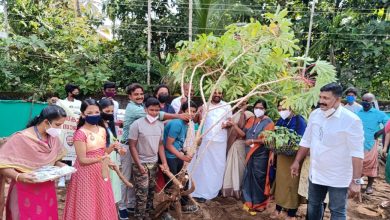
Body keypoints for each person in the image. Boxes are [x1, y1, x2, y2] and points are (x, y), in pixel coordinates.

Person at [291, 82, 364, 220]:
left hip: (338, 176)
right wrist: (296, 161)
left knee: (337, 210)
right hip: (316, 172)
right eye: (320, 97)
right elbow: (306, 140)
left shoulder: (351, 120)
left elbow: (357, 153)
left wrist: (356, 181)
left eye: (326, 98)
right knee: (313, 205)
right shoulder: (315, 115)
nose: (321, 101)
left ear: (337, 99)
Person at [119, 83, 190, 220]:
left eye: (141, 94)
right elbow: (158, 114)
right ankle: (122, 207)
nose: (139, 96)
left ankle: (133, 206)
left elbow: (159, 139)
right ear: (129, 96)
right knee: (126, 178)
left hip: (143, 150)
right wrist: (178, 116)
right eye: (136, 94)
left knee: (142, 185)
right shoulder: (134, 109)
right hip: (128, 147)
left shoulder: (141, 107)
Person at [0, 105, 68, 220]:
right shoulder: (21, 138)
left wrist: (63, 167)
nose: (59, 128)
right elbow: (3, 164)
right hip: (25, 188)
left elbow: (54, 160)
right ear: (46, 121)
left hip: (47, 188)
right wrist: (19, 176)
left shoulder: (52, 137)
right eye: (57, 125)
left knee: (46, 216)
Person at [63, 99, 118, 220]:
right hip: (85, 174)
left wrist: (112, 148)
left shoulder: (102, 130)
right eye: (90, 113)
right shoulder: (80, 133)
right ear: (83, 114)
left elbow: (103, 152)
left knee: (101, 201)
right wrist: (101, 159)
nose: (94, 115)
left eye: (97, 112)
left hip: (101, 172)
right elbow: (82, 160)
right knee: (86, 202)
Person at [129, 97, 169, 220]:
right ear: (146, 109)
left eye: (157, 110)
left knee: (151, 191)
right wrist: (139, 164)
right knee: (142, 192)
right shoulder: (137, 124)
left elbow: (160, 145)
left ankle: (147, 214)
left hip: (154, 163)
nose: (154, 113)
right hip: (140, 163)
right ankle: (139, 216)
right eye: (151, 110)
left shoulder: (160, 125)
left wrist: (164, 162)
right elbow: (132, 146)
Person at [190, 90, 232, 203]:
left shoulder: (227, 106)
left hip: (220, 142)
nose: (217, 95)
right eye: (215, 92)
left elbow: (230, 122)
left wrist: (227, 124)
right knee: (204, 167)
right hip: (207, 140)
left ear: (222, 94)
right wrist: (198, 113)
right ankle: (201, 192)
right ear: (211, 93)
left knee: (218, 166)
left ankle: (214, 191)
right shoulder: (205, 105)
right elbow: (196, 121)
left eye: (219, 93)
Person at [235, 99, 274, 214]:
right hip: (249, 153)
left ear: (265, 109)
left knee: (259, 178)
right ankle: (249, 202)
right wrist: (241, 113)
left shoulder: (269, 122)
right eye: (256, 107)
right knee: (248, 176)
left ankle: (259, 203)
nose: (258, 110)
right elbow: (243, 133)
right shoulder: (251, 119)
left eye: (261, 108)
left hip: (261, 154)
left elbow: (268, 139)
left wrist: (253, 140)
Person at [270, 102, 307, 220]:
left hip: (294, 158)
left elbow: (303, 141)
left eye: (284, 108)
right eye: (279, 109)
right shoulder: (281, 120)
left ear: (291, 108)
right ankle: (278, 208)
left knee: (292, 184)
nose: (282, 111)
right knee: (281, 183)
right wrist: (272, 153)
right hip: (281, 157)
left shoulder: (299, 120)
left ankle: (291, 212)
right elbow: (274, 137)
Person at [163, 101, 199, 214]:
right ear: (182, 112)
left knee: (184, 179)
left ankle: (182, 204)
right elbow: (168, 145)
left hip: (176, 155)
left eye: (194, 111)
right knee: (171, 183)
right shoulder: (177, 123)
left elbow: (177, 143)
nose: (192, 114)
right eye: (189, 111)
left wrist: (184, 152)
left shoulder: (185, 124)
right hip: (170, 157)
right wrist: (182, 157)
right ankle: (168, 209)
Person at [356, 93, 389, 194]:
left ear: (372, 102)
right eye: (363, 100)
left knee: (371, 165)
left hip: (371, 143)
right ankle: (359, 184)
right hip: (358, 144)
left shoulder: (378, 114)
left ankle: (369, 186)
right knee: (358, 166)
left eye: (367, 101)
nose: (365, 103)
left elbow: (388, 125)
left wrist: (380, 132)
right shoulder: (358, 113)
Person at [222, 100, 254, 199]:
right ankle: (229, 190)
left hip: (240, 144)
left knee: (239, 168)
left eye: (244, 102)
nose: (241, 104)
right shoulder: (233, 114)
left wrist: (242, 113)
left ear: (247, 103)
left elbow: (243, 131)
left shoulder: (249, 114)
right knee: (230, 166)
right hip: (232, 143)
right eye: (240, 102)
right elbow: (230, 127)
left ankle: (238, 190)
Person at [99, 98, 126, 204]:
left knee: (113, 186)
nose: (110, 114)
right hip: (103, 160)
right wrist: (113, 147)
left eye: (111, 111)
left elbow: (114, 141)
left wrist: (119, 149)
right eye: (107, 111)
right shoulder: (96, 126)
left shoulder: (109, 124)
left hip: (112, 158)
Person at [55, 83, 82, 187]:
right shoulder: (61, 103)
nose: (77, 92)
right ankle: (62, 178)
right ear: (69, 92)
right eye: (75, 90)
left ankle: (70, 176)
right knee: (63, 154)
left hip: (76, 131)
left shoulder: (80, 103)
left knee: (74, 153)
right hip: (64, 132)